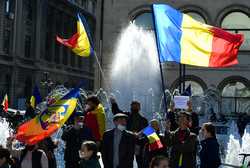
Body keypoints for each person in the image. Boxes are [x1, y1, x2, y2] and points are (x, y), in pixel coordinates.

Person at [110, 98, 148, 168]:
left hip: (138, 143)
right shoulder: (126, 116)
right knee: (127, 159)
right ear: (130, 107)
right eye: (133, 105)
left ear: (139, 107)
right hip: (127, 142)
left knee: (140, 160)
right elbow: (117, 112)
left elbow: (147, 132)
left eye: (136, 106)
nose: (135, 107)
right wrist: (114, 103)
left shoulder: (144, 120)